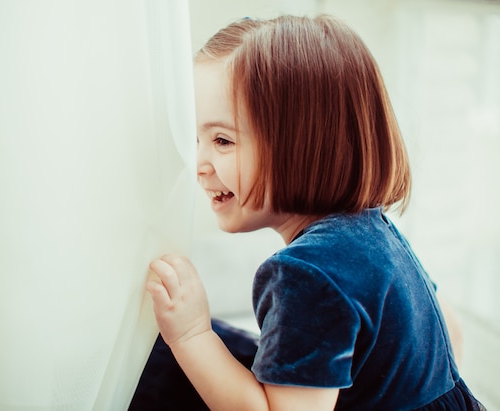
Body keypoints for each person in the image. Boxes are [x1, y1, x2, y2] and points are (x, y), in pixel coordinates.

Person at [130, 14, 486, 411]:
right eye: (198, 138)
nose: (199, 163)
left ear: (302, 146)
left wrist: (192, 335)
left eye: (222, 140)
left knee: (167, 354)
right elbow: (450, 333)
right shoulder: (376, 232)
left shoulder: (306, 273)